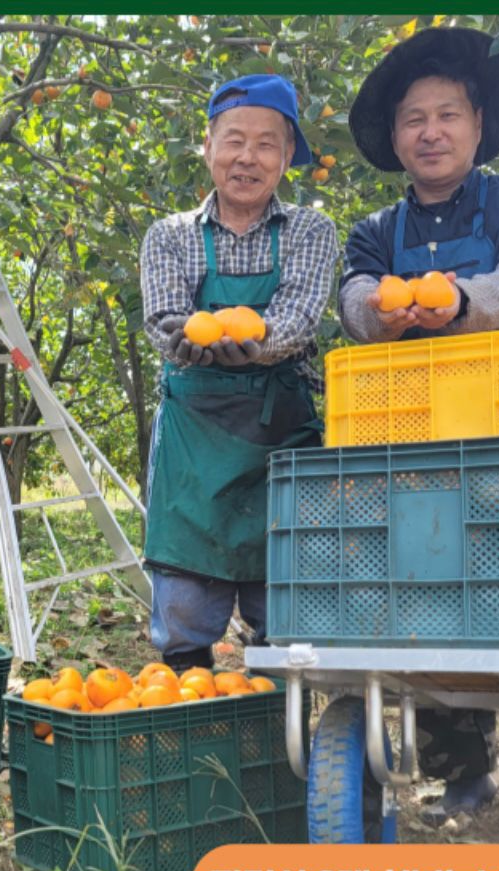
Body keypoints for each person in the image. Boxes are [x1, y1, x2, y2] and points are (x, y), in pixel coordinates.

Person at [340, 25, 499, 817]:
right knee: (429, 592)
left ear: (477, 124)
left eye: (446, 114)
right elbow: (352, 301)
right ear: (397, 138)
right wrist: (381, 310)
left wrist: (456, 302)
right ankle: (464, 771)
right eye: (413, 118)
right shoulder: (377, 231)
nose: (430, 131)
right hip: (414, 443)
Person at [140, 75, 338, 670]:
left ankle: (278, 740)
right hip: (193, 450)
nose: (247, 158)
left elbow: (298, 319)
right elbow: (164, 320)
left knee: (286, 613)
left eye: (267, 144)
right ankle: (190, 731)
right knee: (182, 616)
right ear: (207, 147)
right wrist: (185, 340)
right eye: (233, 141)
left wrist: (256, 342)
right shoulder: (170, 236)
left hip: (280, 443)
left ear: (286, 159)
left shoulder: (310, 230)